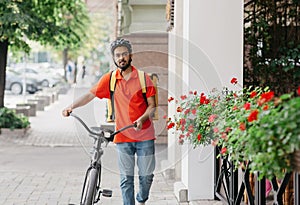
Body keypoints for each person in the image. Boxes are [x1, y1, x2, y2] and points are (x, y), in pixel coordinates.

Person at [62, 38, 156, 205]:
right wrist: (71, 106)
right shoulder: (110, 79)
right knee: (126, 180)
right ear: (114, 58)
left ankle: (141, 199)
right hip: (123, 136)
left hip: (145, 136)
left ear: (130, 55)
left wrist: (142, 119)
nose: (121, 58)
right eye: (118, 55)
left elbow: (152, 107)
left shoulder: (143, 79)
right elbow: (90, 95)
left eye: (124, 54)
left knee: (146, 176)